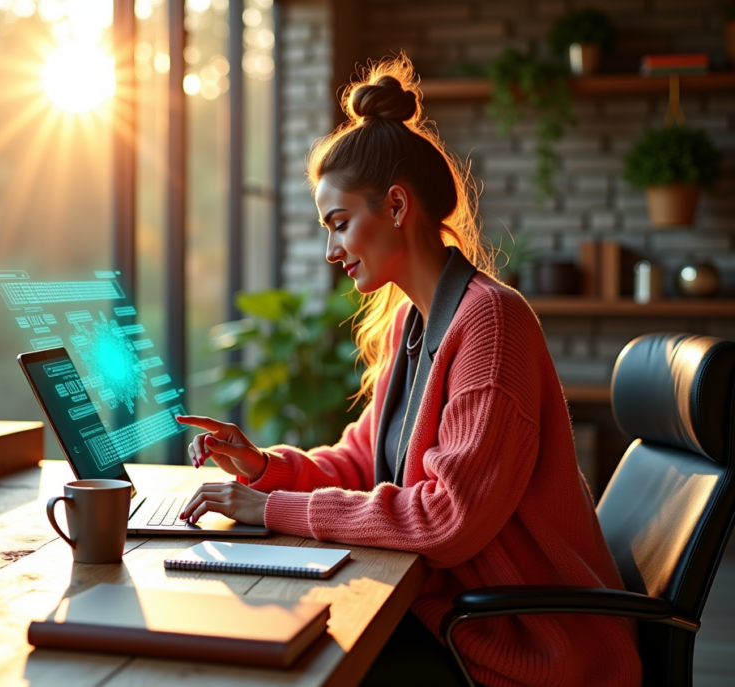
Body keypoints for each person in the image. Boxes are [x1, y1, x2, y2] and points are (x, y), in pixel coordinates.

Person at [175, 54, 641, 687]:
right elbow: (362, 463)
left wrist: (274, 509)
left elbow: (447, 519)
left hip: (524, 645)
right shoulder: (414, 322)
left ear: (396, 205)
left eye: (339, 225)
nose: (331, 251)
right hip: (454, 617)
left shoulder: (489, 323)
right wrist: (263, 469)